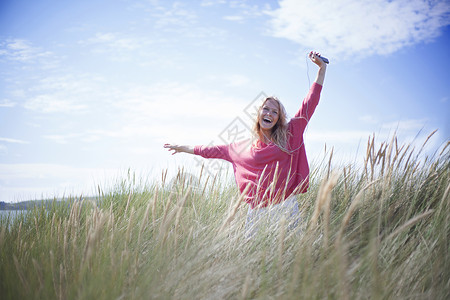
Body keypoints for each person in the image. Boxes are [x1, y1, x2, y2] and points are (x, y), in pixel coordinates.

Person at [164, 51, 327, 236]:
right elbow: (208, 150)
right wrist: (182, 148)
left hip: (285, 208)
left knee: (289, 257)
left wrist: (322, 70)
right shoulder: (240, 148)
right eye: (266, 109)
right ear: (258, 114)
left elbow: (310, 102)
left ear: (279, 118)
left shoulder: (289, 135)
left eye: (275, 112)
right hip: (256, 213)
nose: (269, 114)